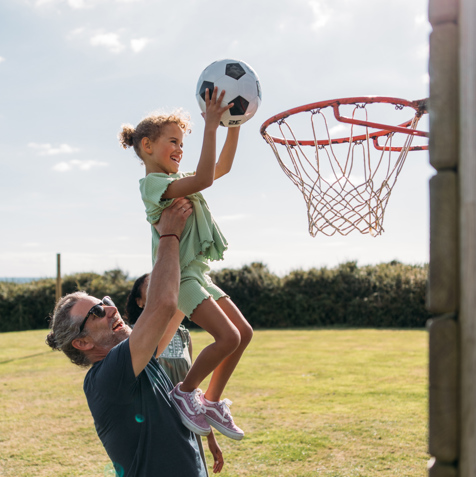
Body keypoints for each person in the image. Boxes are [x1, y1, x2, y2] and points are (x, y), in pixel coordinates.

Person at [118, 87, 253, 441]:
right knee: (227, 337)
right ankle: (184, 393)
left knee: (244, 334)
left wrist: (233, 124)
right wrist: (210, 125)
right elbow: (206, 177)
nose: (180, 149)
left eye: (183, 143)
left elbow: (220, 167)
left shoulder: (178, 182)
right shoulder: (152, 185)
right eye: (173, 142)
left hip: (197, 272)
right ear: (147, 145)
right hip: (177, 276)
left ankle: (210, 402)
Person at [46, 199, 208, 477]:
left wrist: (190, 247)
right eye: (98, 311)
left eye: (106, 300)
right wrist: (169, 233)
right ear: (83, 343)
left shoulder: (141, 358)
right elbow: (163, 305)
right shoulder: (107, 377)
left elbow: (178, 303)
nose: (111, 309)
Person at [125, 273, 224, 475]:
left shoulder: (183, 335)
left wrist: (209, 435)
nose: (163, 285)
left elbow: (192, 388)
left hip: (187, 423)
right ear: (140, 301)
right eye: (152, 284)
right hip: (154, 427)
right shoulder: (132, 337)